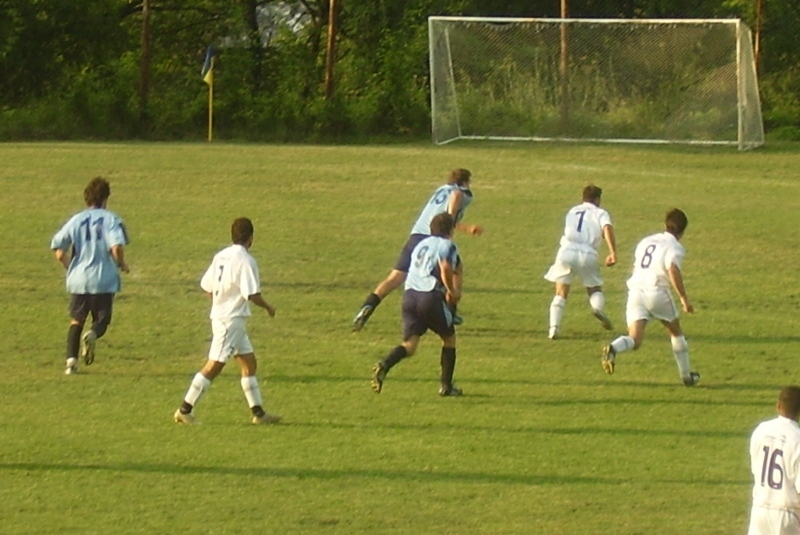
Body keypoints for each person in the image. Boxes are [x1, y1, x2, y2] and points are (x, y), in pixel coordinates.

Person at [174, 217, 281, 425]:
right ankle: (185, 409)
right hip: (231, 321)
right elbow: (252, 294)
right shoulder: (246, 261)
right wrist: (268, 307)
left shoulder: (221, 256)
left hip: (229, 319)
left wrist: (220, 301)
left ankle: (259, 414)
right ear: (251, 238)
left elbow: (206, 285)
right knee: (214, 365)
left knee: (249, 363)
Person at [352, 168, 482, 332]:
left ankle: (368, 306)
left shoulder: (441, 189)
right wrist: (465, 226)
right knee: (455, 270)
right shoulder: (461, 192)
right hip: (433, 238)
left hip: (416, 236)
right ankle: (450, 310)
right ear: (465, 181)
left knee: (394, 278)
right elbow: (453, 204)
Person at [601, 208, 699, 386]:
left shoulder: (646, 241)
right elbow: (672, 269)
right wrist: (684, 299)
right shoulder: (675, 247)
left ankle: (614, 347)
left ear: (665, 225)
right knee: (675, 331)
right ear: (683, 231)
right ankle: (686, 376)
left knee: (635, 339)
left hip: (636, 291)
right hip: (656, 292)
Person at [370, 212, 463, 397]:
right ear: (450, 230)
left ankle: (385, 364)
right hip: (429, 296)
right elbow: (445, 267)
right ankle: (446, 386)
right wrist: (451, 291)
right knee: (449, 338)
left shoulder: (421, 244)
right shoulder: (447, 245)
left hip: (409, 296)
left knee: (410, 345)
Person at [51, 177, 130, 375]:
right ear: (106, 198)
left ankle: (71, 363)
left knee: (76, 321)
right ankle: (93, 334)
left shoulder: (76, 220)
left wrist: (70, 268)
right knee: (102, 320)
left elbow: (59, 251)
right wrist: (121, 263)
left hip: (78, 279)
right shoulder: (111, 219)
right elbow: (116, 246)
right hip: (103, 279)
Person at [544, 184, 617, 339]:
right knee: (594, 289)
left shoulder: (572, 210)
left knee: (561, 292)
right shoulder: (600, 212)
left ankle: (553, 328)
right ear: (597, 199)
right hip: (588, 252)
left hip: (567, 250)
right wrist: (612, 252)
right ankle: (597, 308)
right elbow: (607, 229)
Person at [748, 386, 800, 535]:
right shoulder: (797, 439)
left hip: (759, 509)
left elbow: (755, 469)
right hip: (787, 515)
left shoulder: (760, 430)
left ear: (778, 406)